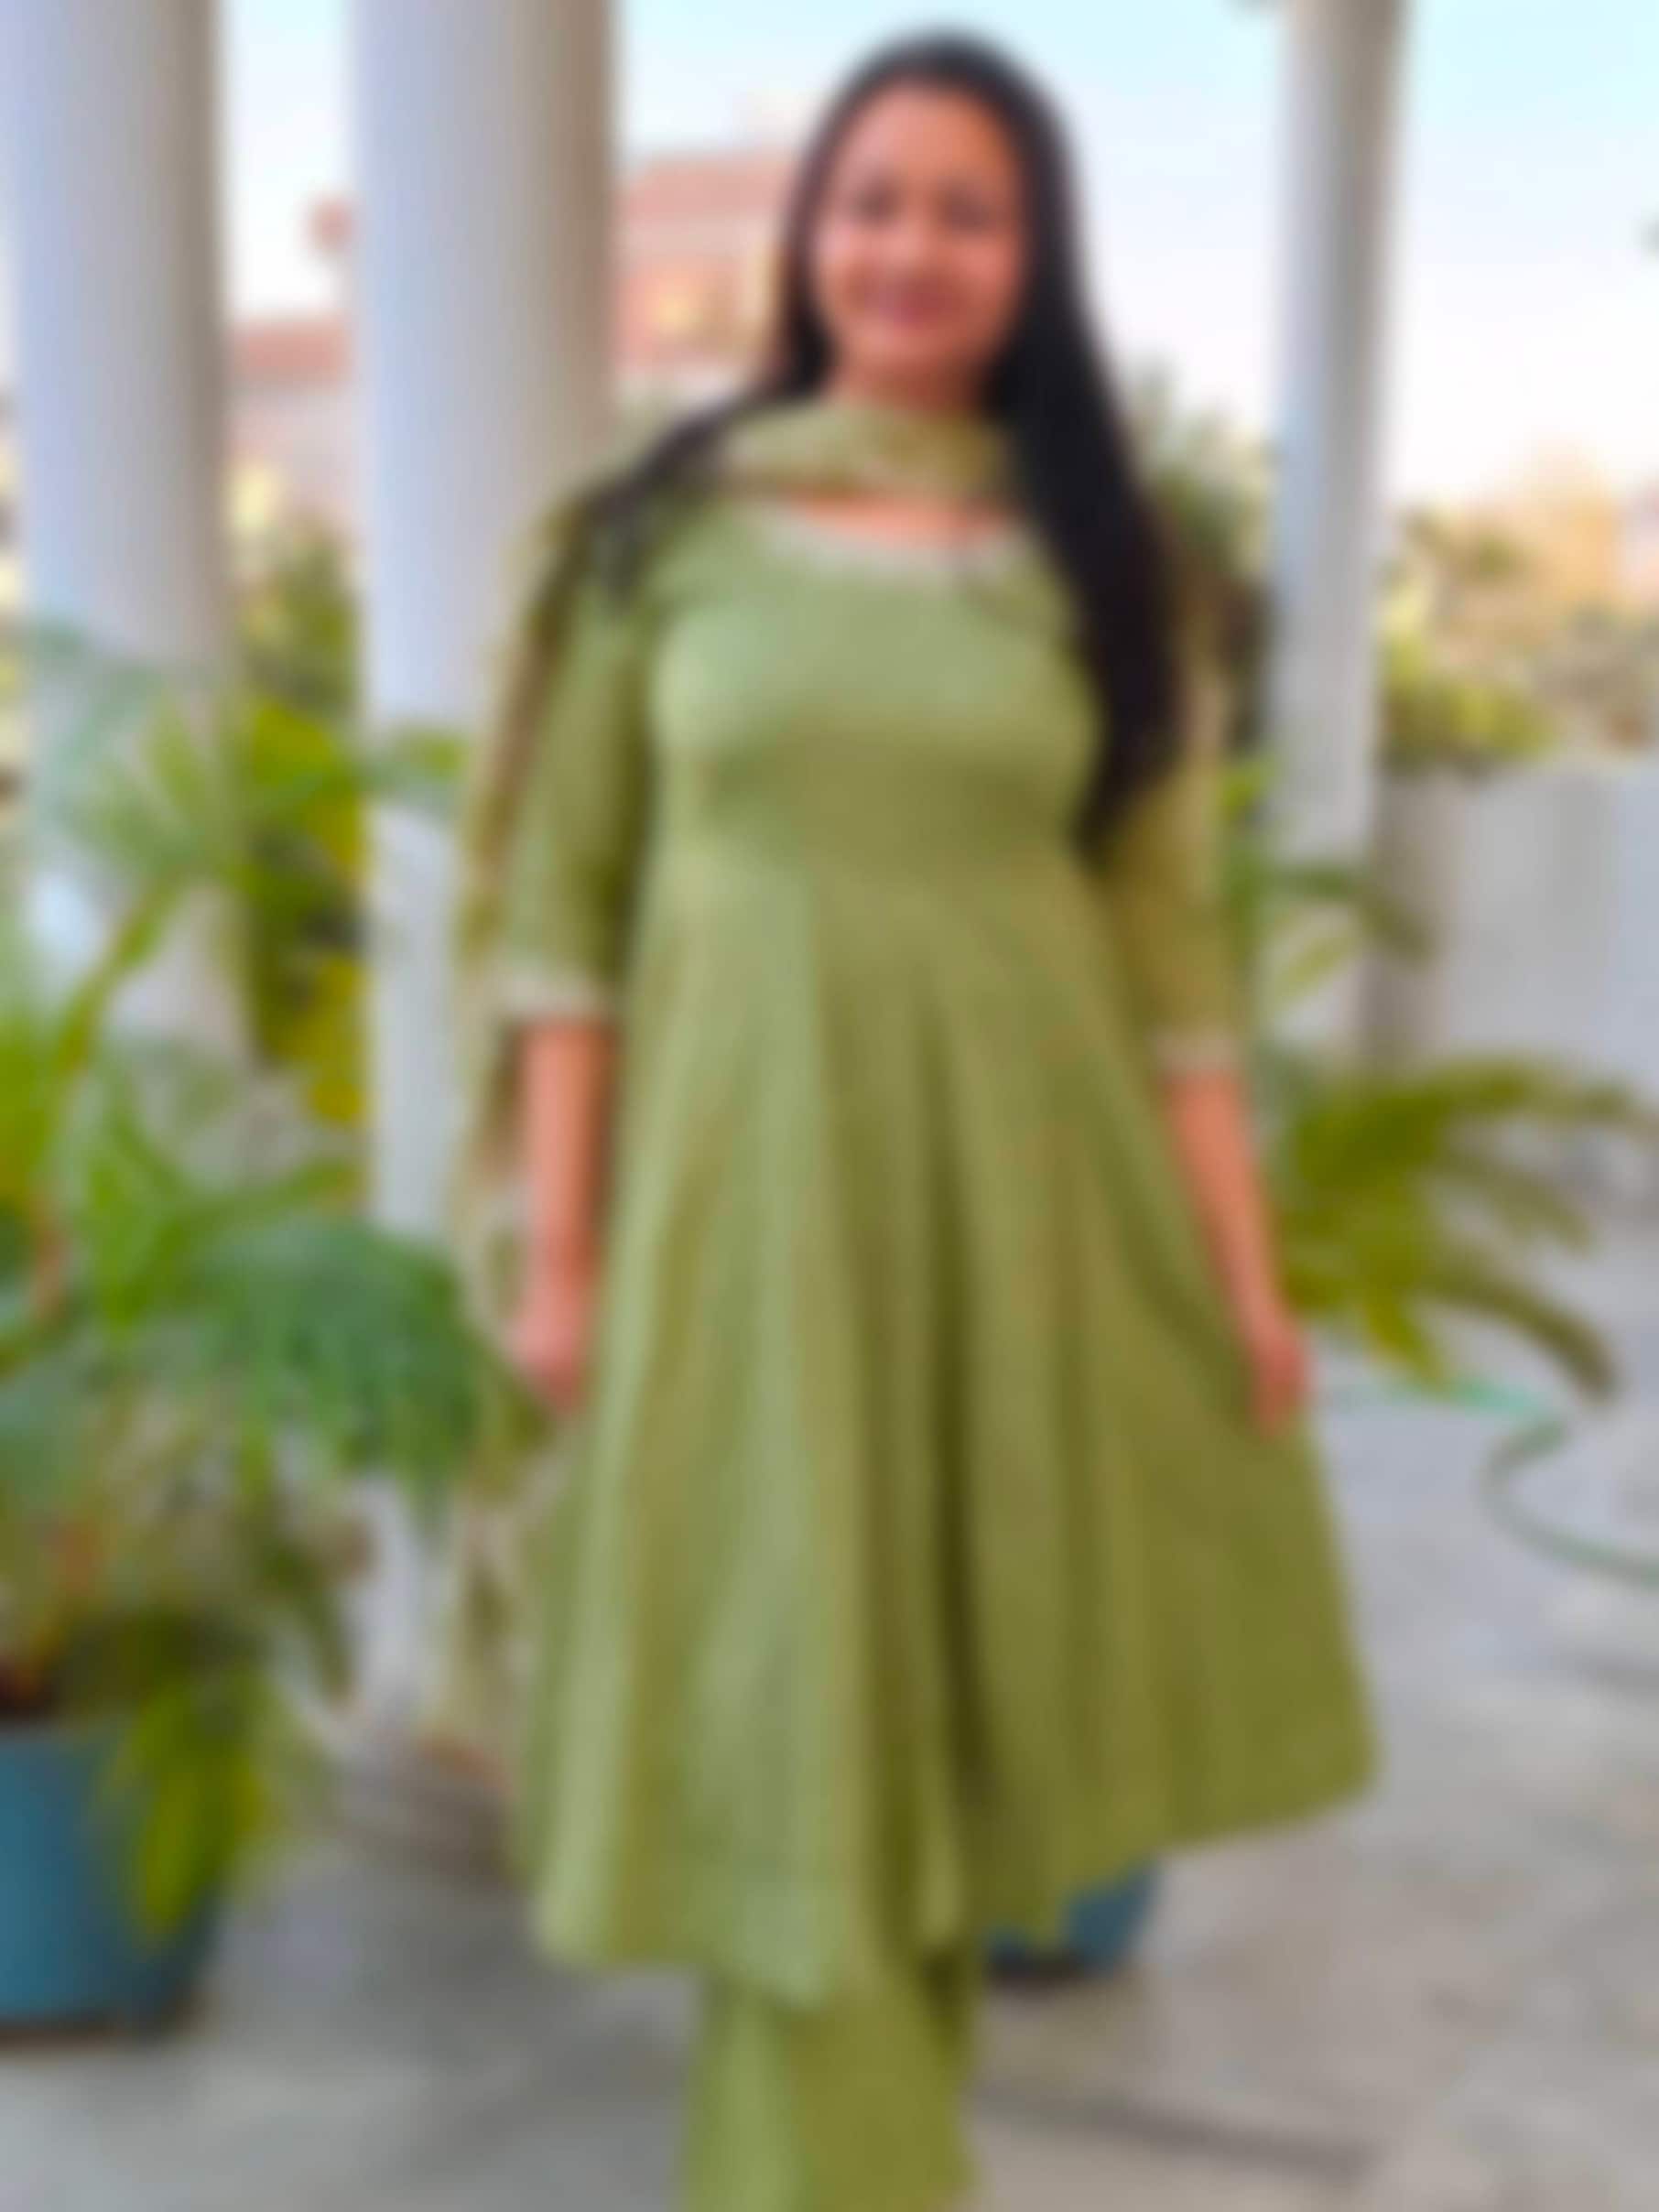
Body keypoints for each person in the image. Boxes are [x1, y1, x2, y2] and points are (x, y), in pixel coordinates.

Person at [442, 28, 1381, 2212]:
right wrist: (562, 1256)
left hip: (1020, 1212)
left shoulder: (1102, 562)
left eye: (969, 210)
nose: (910, 247)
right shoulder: (662, 532)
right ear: (811, 236)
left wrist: (1246, 1280)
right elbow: (566, 917)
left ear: (1035, 260)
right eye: (872, 200)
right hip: (743, 1208)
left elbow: (1168, 958)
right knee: (792, 1696)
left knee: (939, 1708)